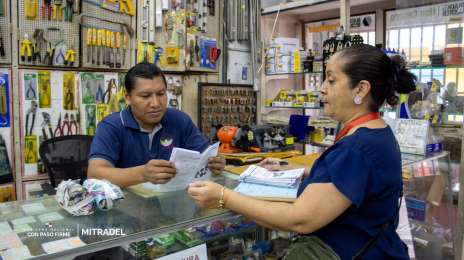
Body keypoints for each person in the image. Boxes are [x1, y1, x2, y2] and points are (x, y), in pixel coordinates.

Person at [187, 44, 416, 259]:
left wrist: (223, 196)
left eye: (332, 80)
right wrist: (296, 169)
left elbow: (299, 220)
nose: (322, 88)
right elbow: (349, 179)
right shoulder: (376, 131)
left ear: (361, 89)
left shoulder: (358, 147)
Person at [87, 63, 225, 188]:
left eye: (161, 94)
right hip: (126, 208)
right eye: (145, 96)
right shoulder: (111, 126)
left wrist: (216, 161)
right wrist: (142, 174)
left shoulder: (179, 120)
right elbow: (95, 174)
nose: (155, 103)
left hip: (173, 206)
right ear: (128, 97)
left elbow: (206, 154)